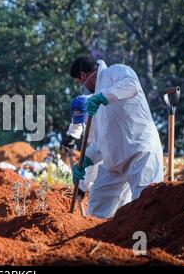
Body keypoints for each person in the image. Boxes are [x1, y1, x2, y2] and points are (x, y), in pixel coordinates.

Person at [69, 56, 163, 219]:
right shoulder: (94, 105)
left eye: (79, 82)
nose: (82, 86)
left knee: (146, 204)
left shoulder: (116, 71)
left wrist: (104, 96)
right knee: (97, 207)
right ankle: (96, 243)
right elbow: (100, 143)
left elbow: (131, 85)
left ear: (84, 76)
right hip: (114, 164)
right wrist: (85, 160)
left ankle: (148, 242)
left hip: (139, 153)